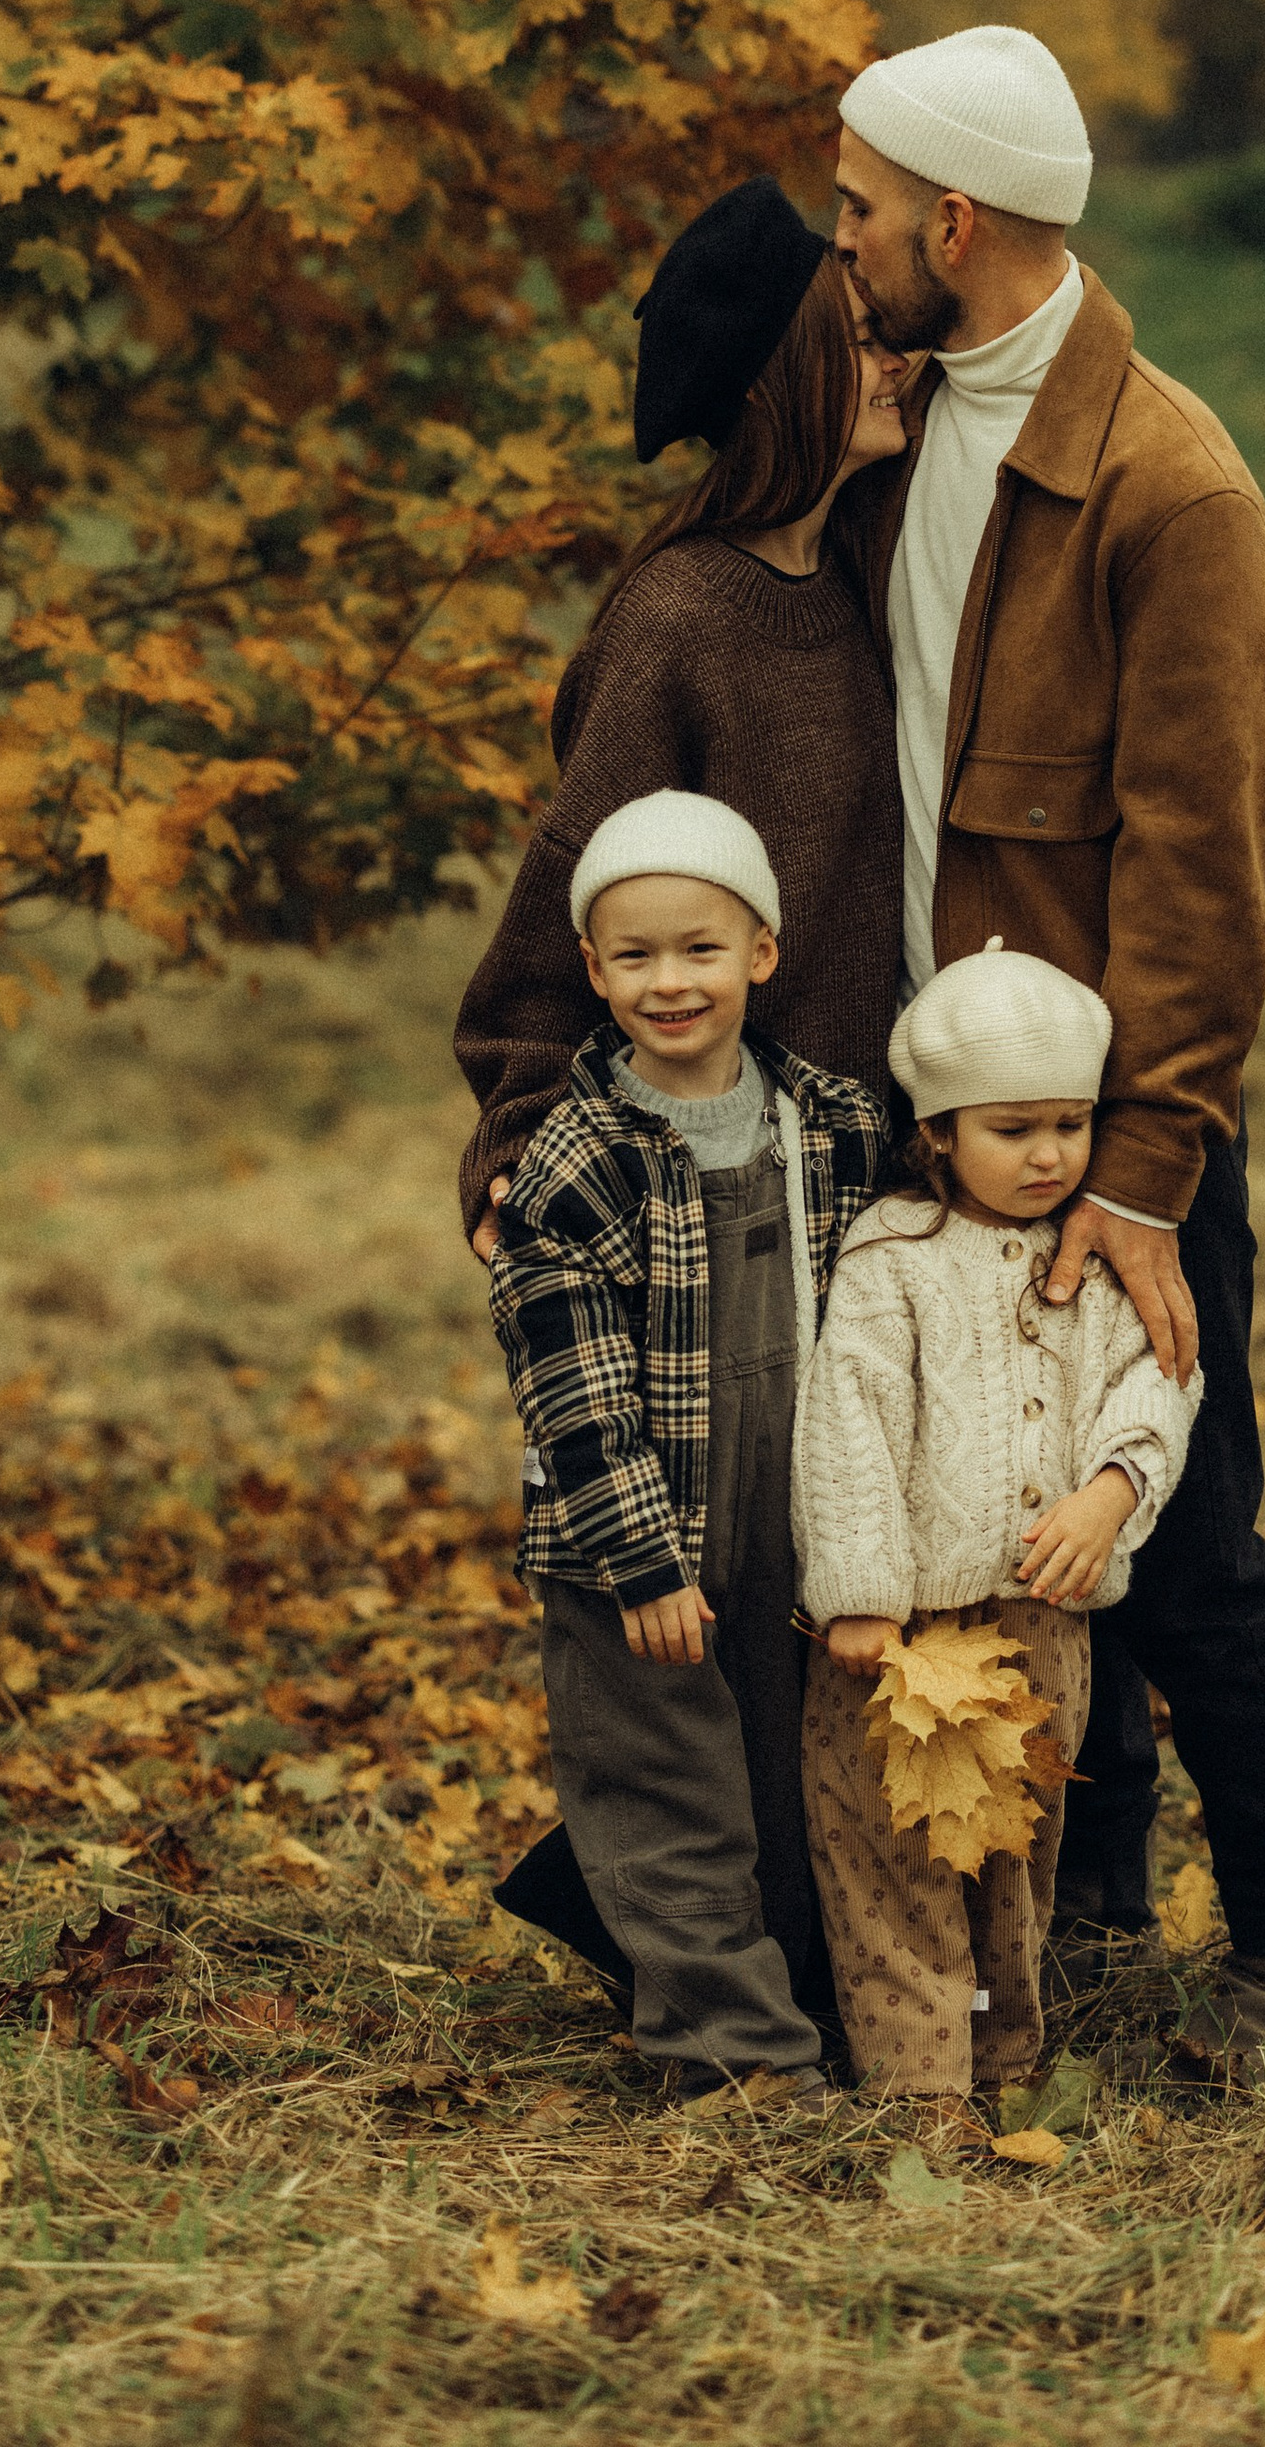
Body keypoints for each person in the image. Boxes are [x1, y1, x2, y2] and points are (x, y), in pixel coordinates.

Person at [831, 22, 1265, 2065]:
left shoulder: (1169, 489)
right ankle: (1082, 1918)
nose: (843, 243)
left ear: (951, 222)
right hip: (932, 1128)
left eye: (864, 215)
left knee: (1176, 1541)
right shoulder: (918, 419)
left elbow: (1203, 872)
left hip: (1105, 1145)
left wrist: (1141, 1174)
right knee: (988, 1519)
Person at [486, 788, 887, 2097]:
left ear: (763, 953)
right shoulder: (577, 1160)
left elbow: (881, 1319)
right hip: (636, 1527)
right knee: (667, 1782)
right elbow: (573, 1384)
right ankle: (727, 2054)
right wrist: (643, 1561)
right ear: (593, 972)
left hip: (787, 1505)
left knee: (782, 1784)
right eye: (637, 956)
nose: (672, 981)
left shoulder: (831, 1123)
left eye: (702, 948)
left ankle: (788, 1993)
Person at [454, 174, 909, 1257]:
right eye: (858, 342)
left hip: (863, 1180)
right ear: (777, 382)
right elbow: (571, 890)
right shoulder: (679, 622)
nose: (897, 364)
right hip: (713, 1200)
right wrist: (517, 1132)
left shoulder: (857, 576)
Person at [792, 938, 1199, 2104]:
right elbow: (846, 1416)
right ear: (938, 1134)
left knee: (1009, 1855)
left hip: (1043, 1623)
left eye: (1069, 1126)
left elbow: (1160, 1379)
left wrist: (1112, 1494)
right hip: (905, 1634)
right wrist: (861, 1590)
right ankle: (919, 2084)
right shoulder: (892, 1255)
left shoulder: (1099, 1256)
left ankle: (1000, 2054)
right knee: (893, 1857)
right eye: (1011, 1129)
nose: (1047, 1155)